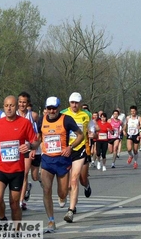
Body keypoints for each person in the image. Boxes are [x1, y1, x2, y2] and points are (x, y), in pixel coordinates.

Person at [0, 95, 38, 232]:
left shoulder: (24, 123)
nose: (9, 108)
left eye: (12, 105)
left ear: (16, 107)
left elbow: (36, 141)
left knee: (14, 204)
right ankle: (3, 219)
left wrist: (30, 146)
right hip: (1, 168)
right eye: (6, 105)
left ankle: (16, 231)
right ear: (3, 107)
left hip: (17, 170)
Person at [38, 97, 81, 232]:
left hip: (62, 161)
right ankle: (51, 220)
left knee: (62, 193)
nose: (52, 111)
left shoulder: (66, 119)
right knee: (46, 190)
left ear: (58, 107)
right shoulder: (41, 120)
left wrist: (70, 147)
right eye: (49, 108)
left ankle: (61, 195)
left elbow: (80, 135)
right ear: (46, 108)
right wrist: (32, 146)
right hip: (47, 160)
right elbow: (38, 137)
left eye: (54, 108)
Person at [59, 92, 85, 223]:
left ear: (80, 103)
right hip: (64, 150)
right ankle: (65, 197)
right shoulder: (63, 114)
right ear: (69, 103)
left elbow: (89, 130)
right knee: (66, 184)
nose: (74, 105)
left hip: (79, 149)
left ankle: (70, 210)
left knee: (74, 179)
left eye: (77, 103)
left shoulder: (86, 115)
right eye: (72, 103)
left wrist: (92, 133)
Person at [16, 91, 40, 210]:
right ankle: (23, 191)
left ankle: (20, 201)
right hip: (15, 148)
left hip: (28, 148)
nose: (22, 104)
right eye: (20, 102)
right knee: (17, 175)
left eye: (24, 102)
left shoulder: (33, 116)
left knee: (25, 174)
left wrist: (33, 147)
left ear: (28, 103)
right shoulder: (12, 114)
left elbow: (37, 134)